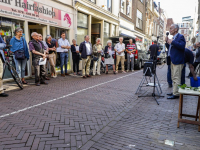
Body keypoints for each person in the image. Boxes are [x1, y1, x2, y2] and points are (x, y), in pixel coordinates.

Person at [165, 24, 186, 99]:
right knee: (173, 77)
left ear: (176, 29)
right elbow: (171, 49)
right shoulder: (173, 38)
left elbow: (182, 46)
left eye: (171, 28)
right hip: (173, 60)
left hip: (178, 61)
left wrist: (172, 42)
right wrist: (167, 42)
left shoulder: (180, 37)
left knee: (176, 77)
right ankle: (174, 91)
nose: (170, 30)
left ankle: (176, 94)